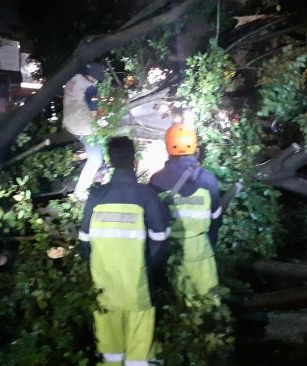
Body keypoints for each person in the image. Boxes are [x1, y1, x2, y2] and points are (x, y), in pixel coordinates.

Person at [79, 136, 171, 366]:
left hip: (104, 287)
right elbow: (160, 239)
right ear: (134, 160)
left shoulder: (96, 196)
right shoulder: (146, 195)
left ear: (110, 161)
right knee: (138, 353)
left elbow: (84, 242)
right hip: (137, 287)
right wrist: (148, 268)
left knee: (110, 352)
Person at [149, 123, 222, 305]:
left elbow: (153, 220)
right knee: (208, 302)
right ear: (195, 146)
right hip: (200, 248)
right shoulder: (208, 180)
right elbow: (216, 220)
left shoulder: (157, 180)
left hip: (172, 251)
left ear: (167, 146)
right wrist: (209, 244)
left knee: (178, 303)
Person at [63, 62, 106, 199]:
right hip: (84, 126)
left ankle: (98, 179)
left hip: (70, 123)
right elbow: (94, 112)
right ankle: (80, 191)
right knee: (95, 159)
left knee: (98, 153)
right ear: (93, 77)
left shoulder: (73, 80)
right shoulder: (90, 88)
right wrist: (101, 119)